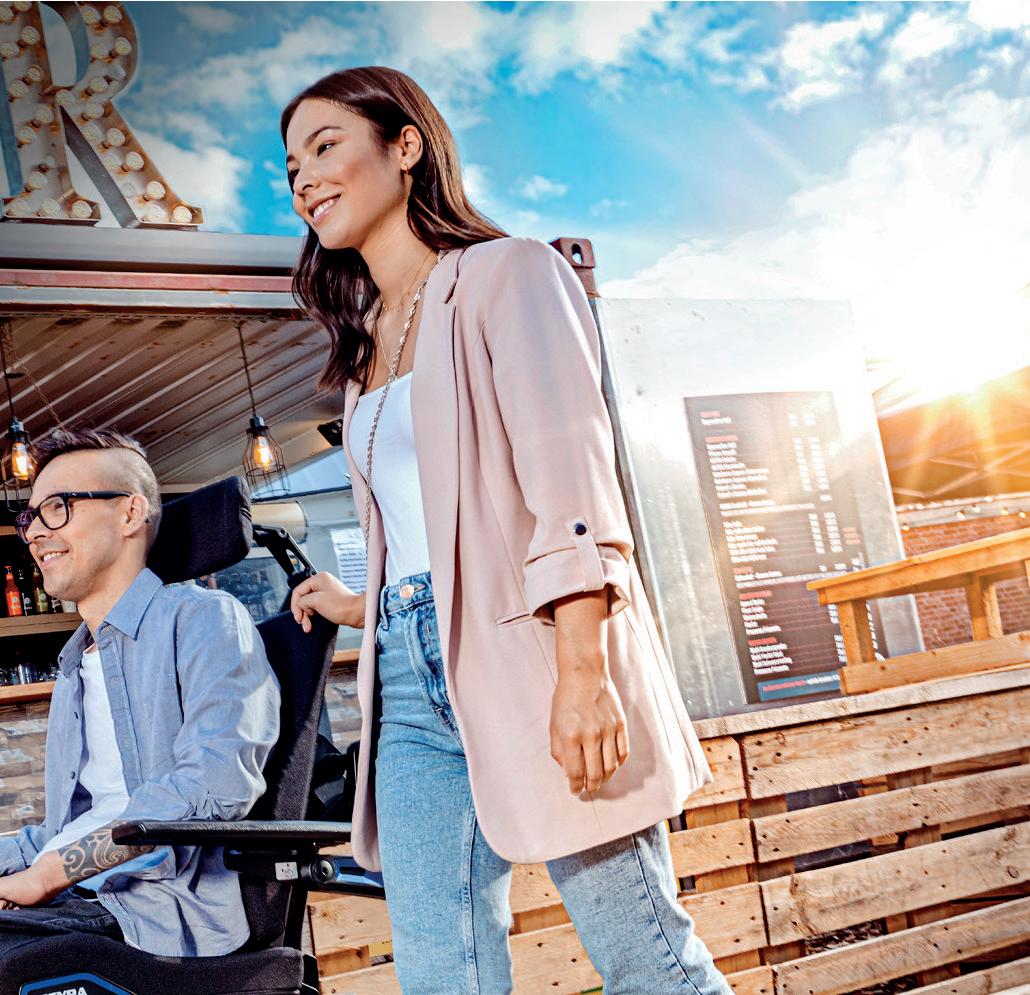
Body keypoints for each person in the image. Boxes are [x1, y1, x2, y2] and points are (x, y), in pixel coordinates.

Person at [283, 67, 732, 994]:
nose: (304, 179)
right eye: (291, 167)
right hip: (408, 686)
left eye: (325, 146)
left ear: (405, 147)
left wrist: (584, 671)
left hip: (536, 650)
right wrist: (365, 604)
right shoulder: (365, 348)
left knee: (646, 959)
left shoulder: (509, 273)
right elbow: (439, 536)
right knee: (442, 974)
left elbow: (571, 486)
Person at [0, 429, 280, 958]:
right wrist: (38, 867)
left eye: (57, 508)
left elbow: (215, 783)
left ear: (130, 514)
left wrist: (49, 875)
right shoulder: (74, 667)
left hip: (152, 908)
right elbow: (66, 829)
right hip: (75, 896)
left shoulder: (203, 619)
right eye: (31, 516)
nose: (34, 532)